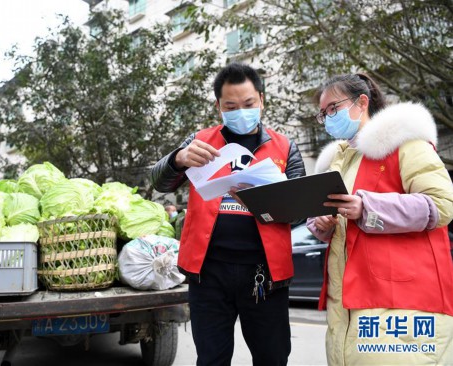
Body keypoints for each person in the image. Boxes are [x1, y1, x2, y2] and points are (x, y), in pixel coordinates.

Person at [151, 62, 306, 366]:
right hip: (208, 274)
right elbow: (160, 182)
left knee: (272, 357)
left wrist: (266, 201)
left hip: (264, 275)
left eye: (248, 104)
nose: (241, 111)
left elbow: (299, 213)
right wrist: (179, 159)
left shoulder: (285, 148)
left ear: (261, 100)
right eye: (231, 105)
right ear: (218, 106)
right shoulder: (199, 142)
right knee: (211, 358)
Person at [307, 73, 453, 365]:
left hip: (402, 303)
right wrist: (321, 224)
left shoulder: (405, 143)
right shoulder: (339, 160)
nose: (328, 118)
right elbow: (341, 222)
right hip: (348, 306)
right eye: (324, 114)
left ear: (362, 102)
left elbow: (442, 204)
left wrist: (367, 208)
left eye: (333, 108)